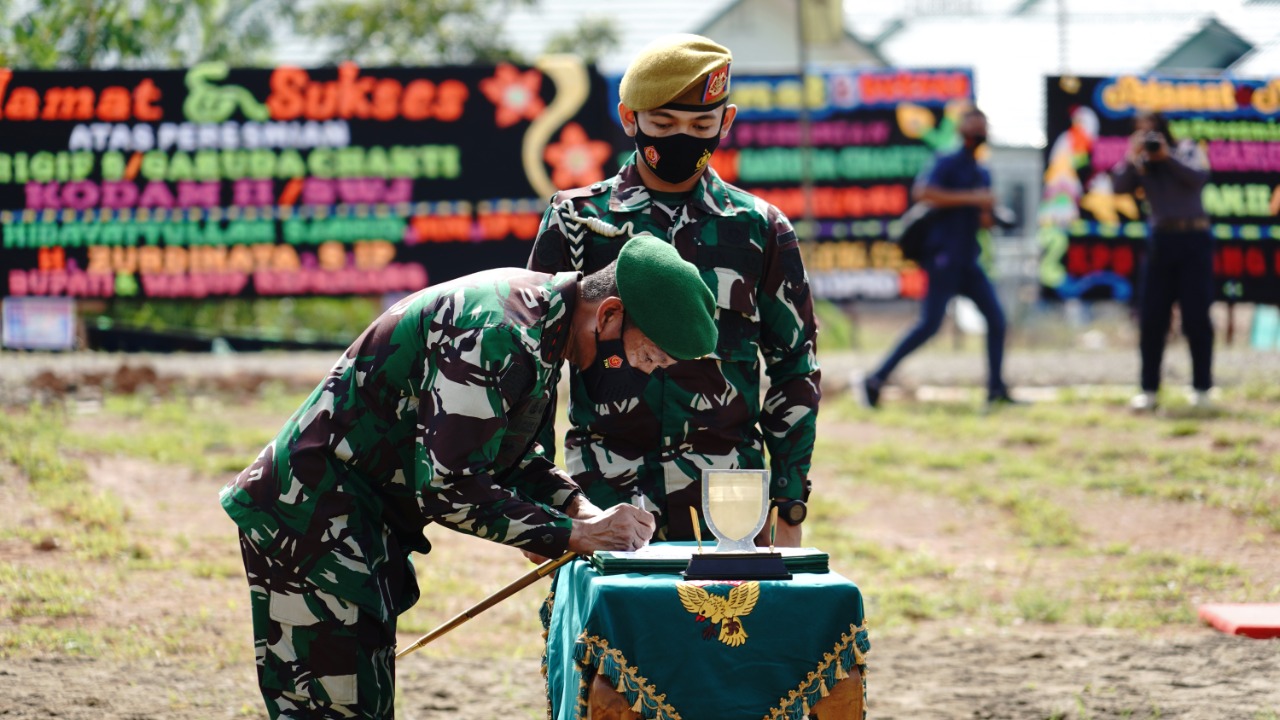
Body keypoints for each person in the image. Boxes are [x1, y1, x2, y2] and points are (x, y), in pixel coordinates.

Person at [220, 234, 717, 719]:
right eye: (646, 355)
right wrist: (573, 535)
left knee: (363, 702)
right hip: (309, 521)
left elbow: (514, 459)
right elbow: (449, 487)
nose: (639, 371)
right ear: (609, 314)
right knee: (331, 708)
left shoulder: (542, 328)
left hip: (353, 526)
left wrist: (580, 508)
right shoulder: (498, 331)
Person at [528, 34, 819, 547]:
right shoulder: (577, 221)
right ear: (629, 118)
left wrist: (789, 502)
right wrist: (543, 507)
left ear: (725, 123)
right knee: (601, 628)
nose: (683, 137)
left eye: (702, 126)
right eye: (663, 124)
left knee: (726, 624)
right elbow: (535, 368)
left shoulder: (759, 228)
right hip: (602, 486)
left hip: (727, 492)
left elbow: (795, 365)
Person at [861, 107, 1015, 409]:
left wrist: (993, 215)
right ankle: (874, 380)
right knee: (929, 325)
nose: (978, 134)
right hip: (943, 258)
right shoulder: (947, 161)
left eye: (983, 127)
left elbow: (982, 216)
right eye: (973, 127)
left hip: (969, 260)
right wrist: (974, 198)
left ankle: (996, 390)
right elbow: (923, 192)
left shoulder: (982, 170)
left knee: (997, 321)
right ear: (961, 130)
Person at [1109, 110, 1213, 412]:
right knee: (1152, 317)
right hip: (1161, 242)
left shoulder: (1187, 149)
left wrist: (1166, 157)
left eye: (1152, 131)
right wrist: (1131, 155)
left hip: (1194, 240)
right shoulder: (1140, 162)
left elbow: (1198, 178)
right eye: (1141, 132)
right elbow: (1118, 187)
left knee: (1196, 317)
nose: (1149, 138)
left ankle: (1202, 388)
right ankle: (1149, 389)